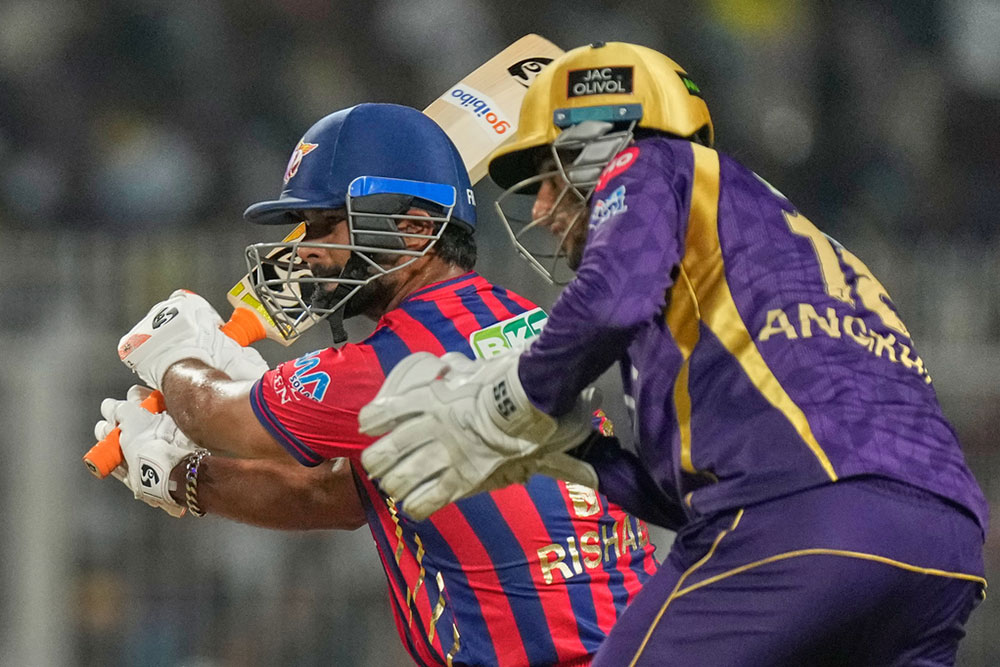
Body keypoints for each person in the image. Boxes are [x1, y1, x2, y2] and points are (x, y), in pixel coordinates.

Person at [357, 44, 989, 665]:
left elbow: (608, 303)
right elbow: (692, 496)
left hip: (803, 522)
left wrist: (502, 405)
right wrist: (578, 453)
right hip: (944, 546)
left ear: (598, 143)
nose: (543, 209)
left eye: (550, 176)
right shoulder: (770, 252)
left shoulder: (650, 161)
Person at [97, 102, 662, 667]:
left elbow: (214, 416)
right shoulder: (516, 317)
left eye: (324, 225)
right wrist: (182, 477)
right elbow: (333, 496)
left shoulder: (391, 364)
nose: (305, 250)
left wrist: (177, 356)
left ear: (415, 230)